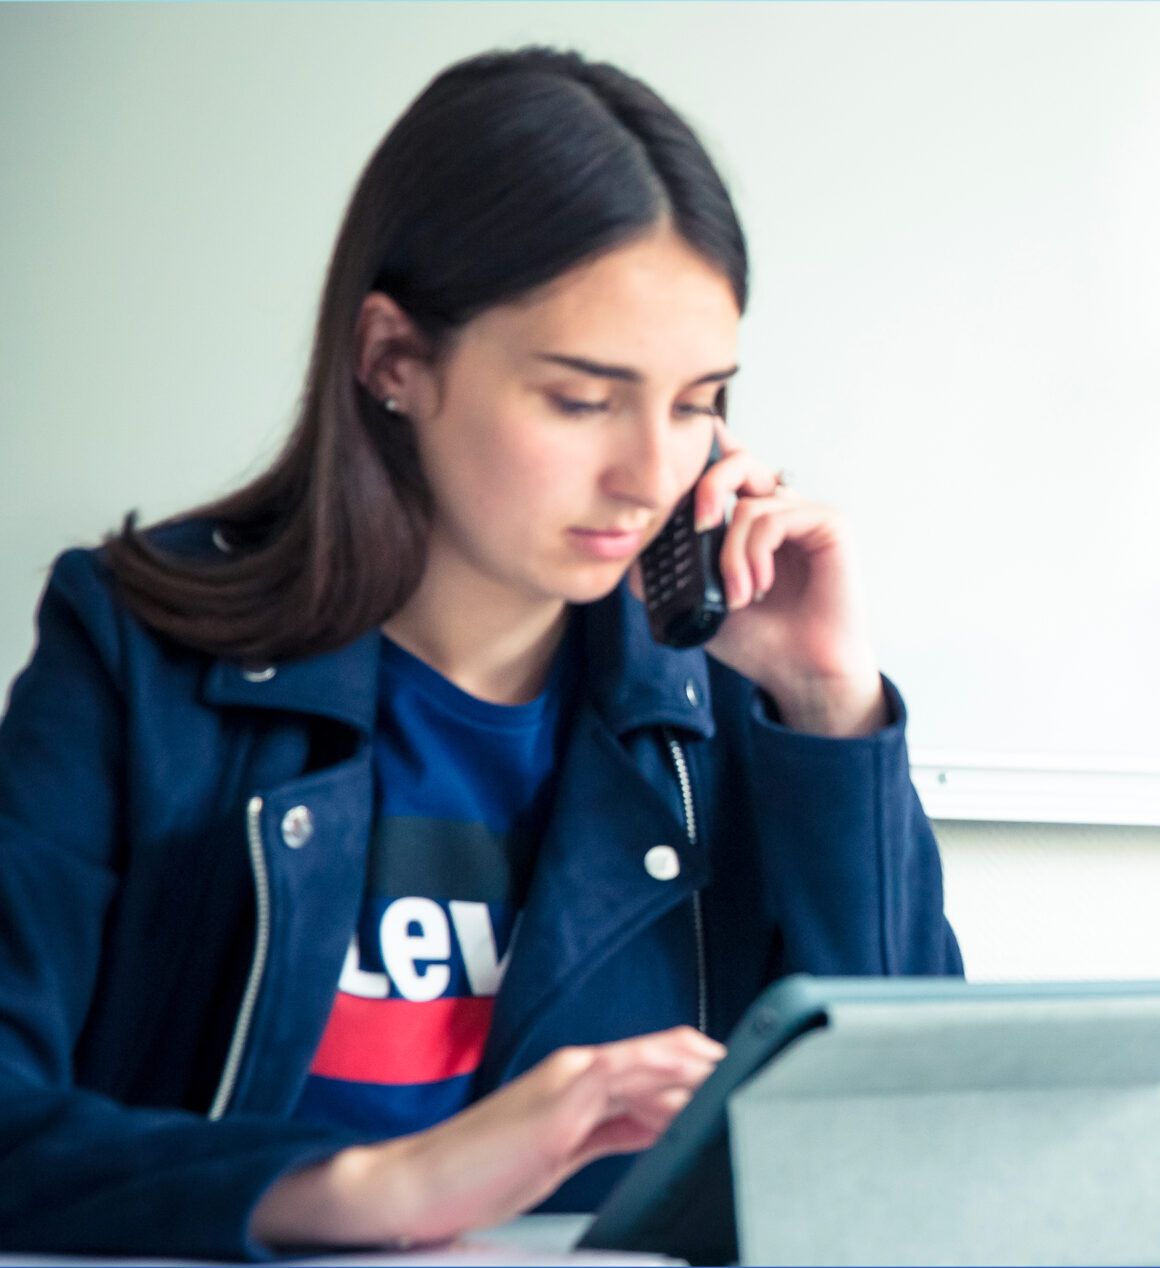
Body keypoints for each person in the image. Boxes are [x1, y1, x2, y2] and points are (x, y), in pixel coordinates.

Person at [0, 48, 961, 1257]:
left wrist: (829, 709)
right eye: (580, 399)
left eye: (695, 400)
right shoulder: (138, 656)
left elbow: (929, 1140)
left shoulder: (716, 698)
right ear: (395, 358)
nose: (650, 474)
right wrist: (377, 1184)